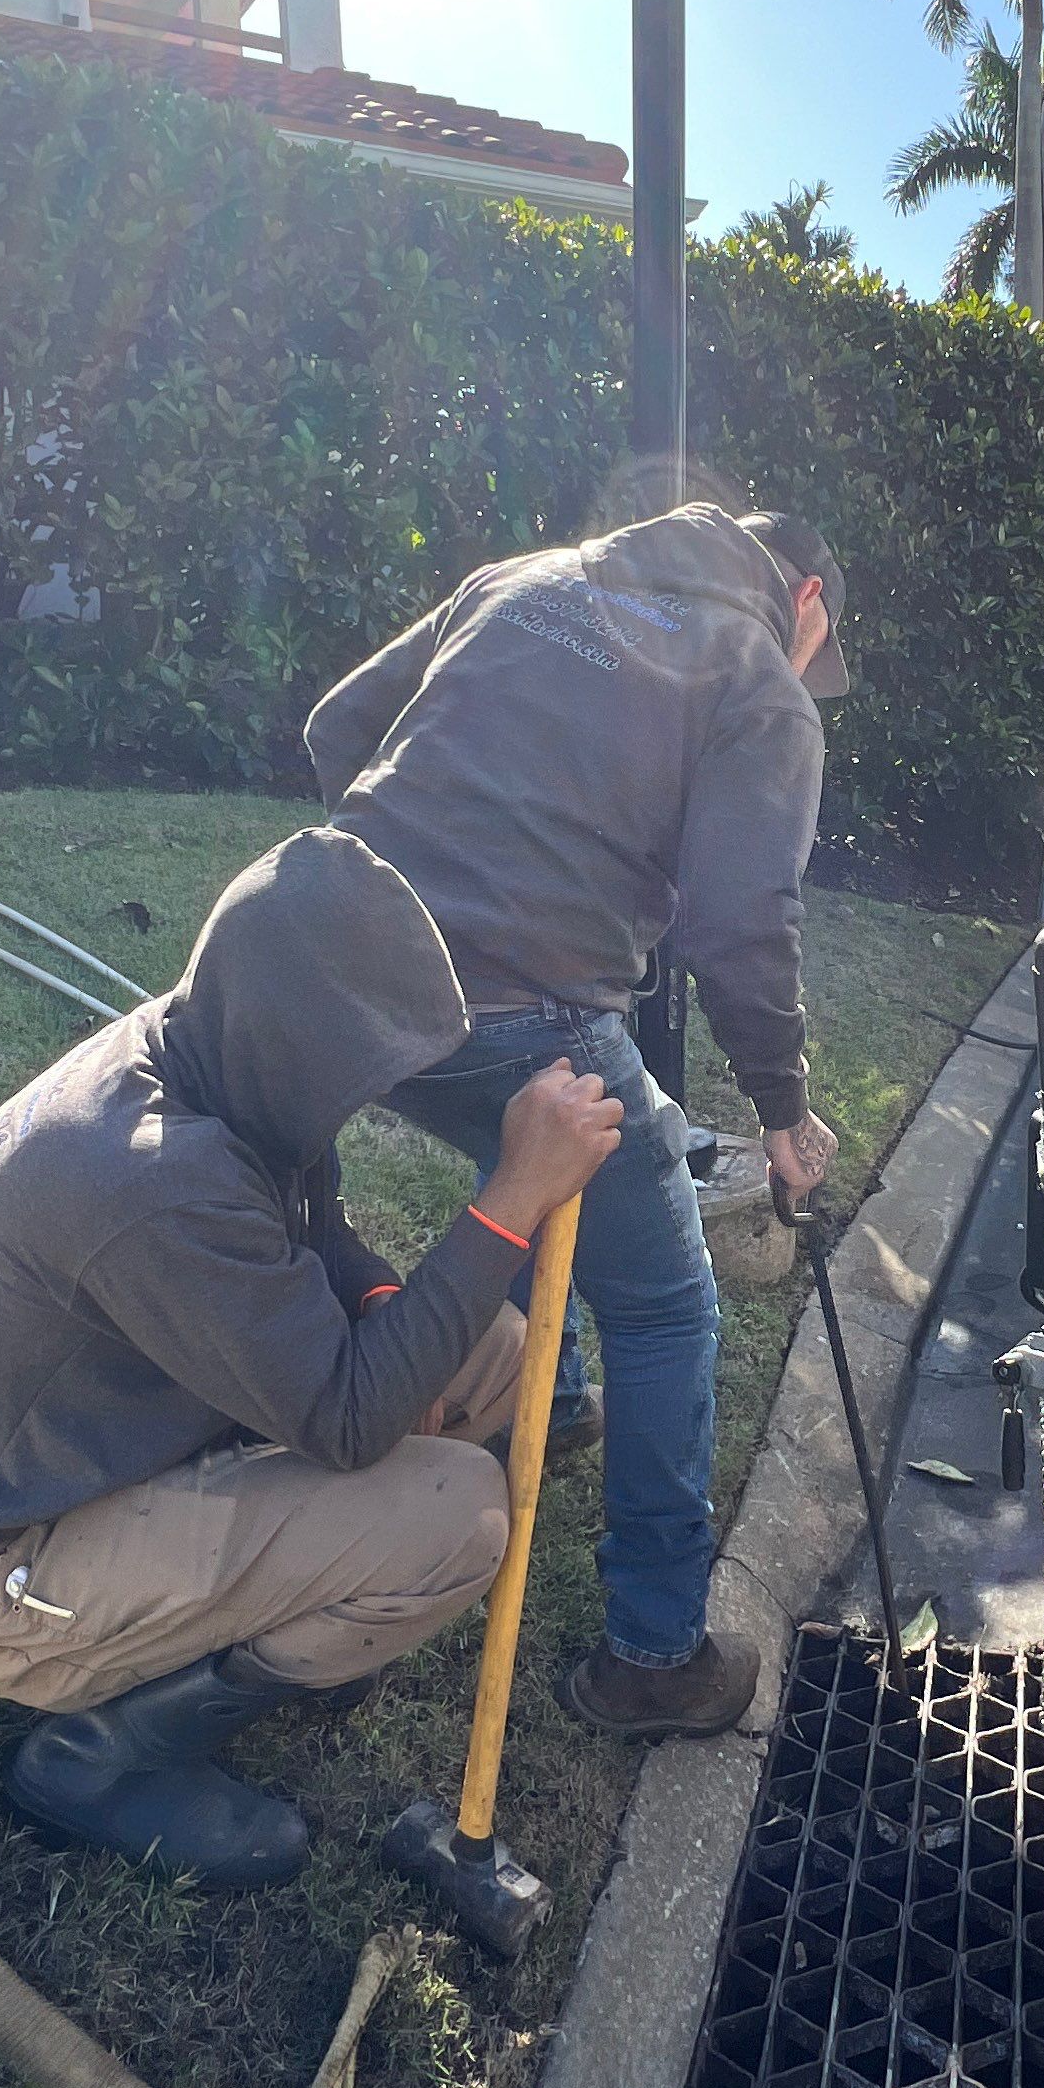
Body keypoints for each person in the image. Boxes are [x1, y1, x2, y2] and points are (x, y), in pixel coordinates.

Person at [0, 827, 621, 1886]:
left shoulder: (227, 1055)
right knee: (457, 1517)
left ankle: (284, 1595)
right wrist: (513, 1197)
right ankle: (98, 1758)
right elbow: (346, 1420)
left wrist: (383, 1298)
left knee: (497, 1355)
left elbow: (320, 1234)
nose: (373, 1093)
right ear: (298, 1033)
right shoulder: (152, 1177)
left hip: (103, 1448)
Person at [303, 503, 850, 1740]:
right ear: (804, 601)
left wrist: (418, 876)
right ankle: (655, 1656)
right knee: (665, 1297)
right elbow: (739, 922)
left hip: (337, 963)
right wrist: (783, 1108)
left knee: (609, 1135)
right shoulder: (762, 680)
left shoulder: (521, 577)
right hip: (520, 1014)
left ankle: (562, 1404)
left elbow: (336, 725)